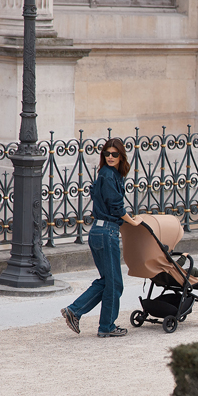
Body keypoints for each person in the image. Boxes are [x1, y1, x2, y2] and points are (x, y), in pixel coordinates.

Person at [61, 138, 141, 337]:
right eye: (107, 154)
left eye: (114, 154)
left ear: (121, 156)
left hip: (99, 232)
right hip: (106, 233)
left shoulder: (109, 174)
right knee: (114, 283)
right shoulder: (107, 175)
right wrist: (133, 222)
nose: (111, 157)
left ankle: (77, 312)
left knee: (107, 281)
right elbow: (116, 207)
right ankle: (103, 325)